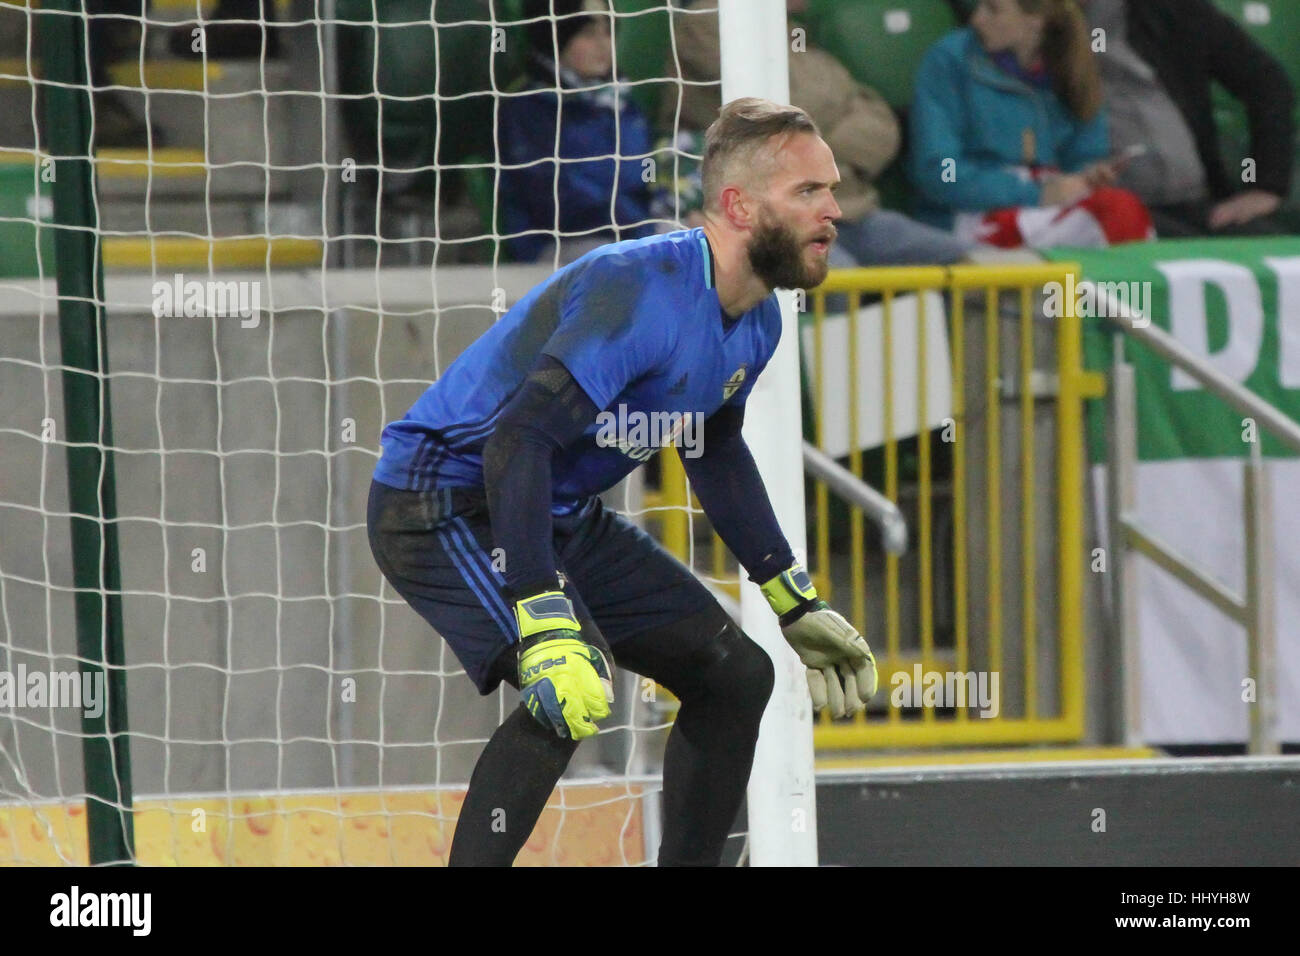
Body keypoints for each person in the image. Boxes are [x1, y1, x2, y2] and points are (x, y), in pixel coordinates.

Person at [367, 97, 877, 867]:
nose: (834, 210)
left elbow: (714, 447)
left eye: (831, 189)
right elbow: (518, 440)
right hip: (444, 501)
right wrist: (542, 612)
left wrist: (789, 596)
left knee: (737, 675)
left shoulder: (762, 318)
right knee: (570, 685)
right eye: (810, 191)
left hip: (556, 503)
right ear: (739, 205)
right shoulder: (637, 289)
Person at [663, 0, 974, 266]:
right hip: (774, 220)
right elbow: (779, 114)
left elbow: (881, 126)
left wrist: (808, 135)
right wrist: (834, 109)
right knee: (835, 279)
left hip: (849, 209)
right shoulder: (708, 22)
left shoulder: (794, 32)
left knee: (957, 257)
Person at [910, 0, 1154, 249]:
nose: (976, 19)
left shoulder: (1072, 65)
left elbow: (1085, 155)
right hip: (968, 214)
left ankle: (1121, 288)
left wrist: (1087, 176)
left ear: (1035, 21)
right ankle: (1124, 288)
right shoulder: (950, 61)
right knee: (1111, 217)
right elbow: (942, 171)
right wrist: (1035, 192)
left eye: (993, 9)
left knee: (1123, 211)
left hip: (1049, 209)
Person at [1083, 0, 1295, 237]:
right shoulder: (1044, 21)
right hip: (1100, 210)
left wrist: (1267, 185)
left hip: (1200, 203)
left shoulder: (1174, 9)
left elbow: (1267, 82)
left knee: (1277, 258)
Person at [498, 0, 656, 264]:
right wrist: (637, 221)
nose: (604, 45)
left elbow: (646, 179)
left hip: (630, 234)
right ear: (557, 36)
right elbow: (558, 203)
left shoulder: (625, 106)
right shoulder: (527, 110)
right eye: (588, 33)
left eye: (608, 31)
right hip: (557, 246)